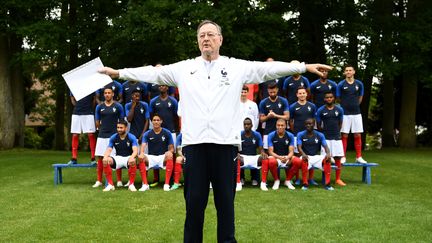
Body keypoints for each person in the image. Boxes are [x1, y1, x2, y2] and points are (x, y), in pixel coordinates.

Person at [99, 20, 332, 243]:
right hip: (195, 147)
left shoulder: (236, 67)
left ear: (220, 39)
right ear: (198, 42)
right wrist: (118, 73)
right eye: (202, 36)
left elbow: (267, 69)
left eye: (211, 34)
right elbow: (152, 73)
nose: (206, 38)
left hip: (225, 147)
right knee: (194, 206)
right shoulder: (184, 68)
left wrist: (303, 67)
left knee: (225, 206)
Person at [92, 87, 125, 188]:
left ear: (113, 94)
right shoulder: (99, 107)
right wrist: (101, 128)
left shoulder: (118, 106)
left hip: (114, 135)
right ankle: (99, 180)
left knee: (116, 157)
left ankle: (119, 180)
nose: (107, 94)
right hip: (102, 135)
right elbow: (97, 121)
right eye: (105, 93)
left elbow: (122, 121)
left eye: (109, 93)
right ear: (103, 95)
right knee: (101, 158)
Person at [336, 65, 367, 164]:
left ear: (354, 72)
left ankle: (358, 157)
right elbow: (338, 98)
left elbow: (361, 97)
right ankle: (343, 156)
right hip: (345, 113)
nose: (348, 72)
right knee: (344, 135)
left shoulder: (359, 84)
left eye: (350, 70)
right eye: (346, 71)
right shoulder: (341, 84)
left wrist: (355, 105)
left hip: (357, 113)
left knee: (357, 135)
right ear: (344, 73)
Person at [149, 84, 179, 186]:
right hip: (158, 130)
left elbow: (176, 116)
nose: (162, 87)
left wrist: (176, 129)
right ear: (158, 88)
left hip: (171, 130)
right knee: (155, 152)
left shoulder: (173, 101)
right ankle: (156, 178)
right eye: (160, 86)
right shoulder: (153, 101)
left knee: (172, 154)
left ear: (167, 88)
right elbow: (151, 116)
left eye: (164, 86)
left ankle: (173, 178)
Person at [261, 119, 303, 191]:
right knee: (271, 161)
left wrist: (287, 157)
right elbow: (270, 151)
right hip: (276, 157)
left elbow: (291, 151)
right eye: (278, 125)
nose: (280, 127)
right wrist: (279, 157)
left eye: (282, 125)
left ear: (285, 126)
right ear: (276, 126)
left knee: (298, 161)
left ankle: (288, 180)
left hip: (287, 157)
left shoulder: (290, 135)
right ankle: (276, 180)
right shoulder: (271, 135)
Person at [289, 86, 317, 185]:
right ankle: (297, 178)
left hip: (310, 135)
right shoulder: (293, 106)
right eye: (299, 93)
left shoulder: (312, 106)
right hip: (297, 134)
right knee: (297, 157)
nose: (302, 95)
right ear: (297, 95)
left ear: (306, 94)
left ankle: (311, 178)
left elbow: (314, 120)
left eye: (303, 93)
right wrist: (295, 132)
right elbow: (291, 121)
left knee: (311, 155)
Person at [316, 91, 346, 186]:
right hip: (326, 138)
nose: (329, 99)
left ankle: (338, 179)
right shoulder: (320, 110)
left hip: (336, 137)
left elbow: (340, 123)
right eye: (327, 97)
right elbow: (318, 125)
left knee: (337, 158)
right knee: (326, 158)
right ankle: (325, 178)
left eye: (331, 97)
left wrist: (337, 131)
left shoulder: (339, 109)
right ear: (324, 99)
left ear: (333, 98)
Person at [139, 114, 175, 192]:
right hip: (151, 157)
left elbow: (172, 148)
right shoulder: (147, 133)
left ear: (161, 121)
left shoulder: (167, 132)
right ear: (151, 122)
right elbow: (143, 145)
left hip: (162, 157)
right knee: (141, 157)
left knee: (170, 156)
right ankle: (145, 184)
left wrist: (169, 151)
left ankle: (166, 184)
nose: (156, 122)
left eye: (158, 120)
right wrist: (141, 153)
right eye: (154, 120)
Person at [297, 118, 334, 191]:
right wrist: (304, 154)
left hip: (316, 157)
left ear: (314, 125)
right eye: (307, 124)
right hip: (306, 156)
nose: (308, 125)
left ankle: (327, 184)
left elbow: (326, 146)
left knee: (327, 160)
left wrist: (328, 154)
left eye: (310, 124)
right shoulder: (300, 134)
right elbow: (299, 147)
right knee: (304, 160)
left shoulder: (320, 135)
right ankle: (305, 184)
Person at [101, 120, 139, 192]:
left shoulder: (131, 137)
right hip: (118, 158)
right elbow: (109, 149)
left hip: (128, 157)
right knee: (106, 160)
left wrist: (132, 157)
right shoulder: (113, 137)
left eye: (121, 128)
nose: (119, 129)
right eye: (118, 127)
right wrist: (105, 156)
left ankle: (131, 184)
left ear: (126, 128)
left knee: (133, 161)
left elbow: (135, 151)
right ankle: (110, 185)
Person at [236, 118, 267, 191]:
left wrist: (262, 153)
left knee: (264, 158)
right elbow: (235, 148)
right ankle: (239, 181)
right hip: (243, 157)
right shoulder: (240, 134)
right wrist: (237, 153)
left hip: (253, 157)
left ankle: (260, 181)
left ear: (252, 125)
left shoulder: (257, 134)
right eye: (245, 124)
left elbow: (261, 148)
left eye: (248, 124)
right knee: (236, 158)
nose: (246, 126)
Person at [259, 82, 290, 149]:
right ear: (268, 91)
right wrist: (268, 116)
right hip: (268, 130)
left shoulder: (283, 101)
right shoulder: (263, 102)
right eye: (270, 92)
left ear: (277, 90)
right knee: (267, 152)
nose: (272, 94)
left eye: (274, 92)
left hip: (282, 131)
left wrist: (275, 115)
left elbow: (287, 117)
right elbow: (261, 119)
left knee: (282, 151)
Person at [69, 92, 96, 164]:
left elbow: (94, 100)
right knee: (75, 135)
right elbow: (72, 100)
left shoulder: (91, 87)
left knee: (91, 135)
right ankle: (74, 158)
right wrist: (78, 106)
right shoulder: (73, 86)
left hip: (88, 113)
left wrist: (88, 108)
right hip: (76, 113)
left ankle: (93, 158)